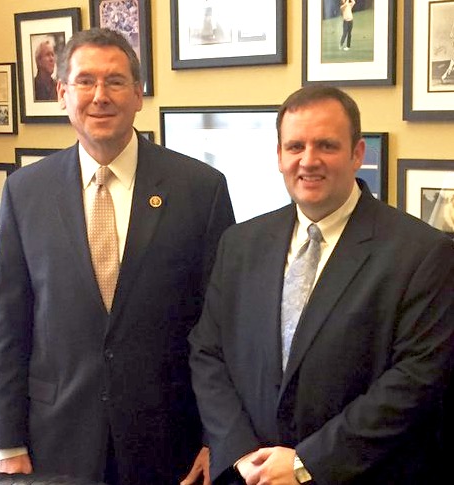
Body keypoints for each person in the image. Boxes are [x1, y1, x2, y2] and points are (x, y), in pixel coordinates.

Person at [0, 28, 235, 485]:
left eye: (115, 81)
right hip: (54, 442)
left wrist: (215, 438)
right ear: (63, 93)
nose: (99, 96)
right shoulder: (25, 192)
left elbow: (221, 326)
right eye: (85, 82)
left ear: (139, 94)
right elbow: (8, 324)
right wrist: (8, 443)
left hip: (169, 442)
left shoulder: (200, 190)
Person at [189, 86, 454, 484]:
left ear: (357, 154)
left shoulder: (422, 252)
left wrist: (304, 464)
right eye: (295, 146)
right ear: (278, 155)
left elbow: (415, 381)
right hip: (252, 474)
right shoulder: (241, 243)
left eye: (326, 145)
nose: (308, 161)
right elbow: (208, 351)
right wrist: (240, 451)